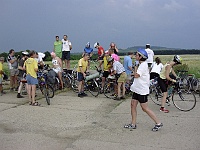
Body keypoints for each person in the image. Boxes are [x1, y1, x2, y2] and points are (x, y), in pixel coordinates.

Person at [124, 49, 163, 131]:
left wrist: (134, 69)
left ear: (141, 57)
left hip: (142, 90)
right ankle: (133, 124)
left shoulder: (143, 65)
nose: (135, 56)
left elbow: (137, 75)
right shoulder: (140, 64)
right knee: (133, 105)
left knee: (144, 108)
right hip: (137, 89)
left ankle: (158, 123)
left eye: (137, 55)